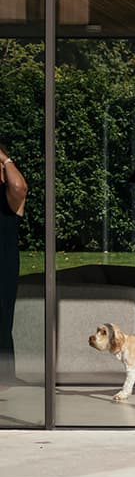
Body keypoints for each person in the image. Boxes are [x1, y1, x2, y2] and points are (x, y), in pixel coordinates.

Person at [0, 145, 28, 385]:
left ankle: (4, 378)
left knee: (2, 318)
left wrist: (5, 158)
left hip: (3, 265)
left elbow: (19, 186)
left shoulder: (10, 197)